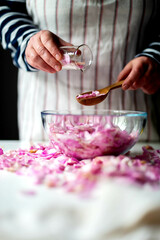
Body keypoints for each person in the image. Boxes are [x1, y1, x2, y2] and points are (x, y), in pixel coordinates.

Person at [0, 0, 160, 141]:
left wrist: (155, 56)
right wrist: (28, 41)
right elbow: (5, 9)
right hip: (48, 130)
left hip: (132, 130)